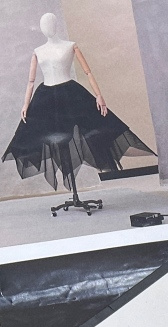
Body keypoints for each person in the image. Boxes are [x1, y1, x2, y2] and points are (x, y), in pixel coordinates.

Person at [2, 12, 154, 199]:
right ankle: (72, 190)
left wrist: (99, 96)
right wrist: (25, 104)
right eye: (43, 25)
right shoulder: (37, 51)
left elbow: (88, 72)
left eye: (49, 24)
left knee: (96, 129)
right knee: (44, 139)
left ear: (55, 25)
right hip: (46, 99)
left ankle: (77, 188)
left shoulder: (70, 46)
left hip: (71, 95)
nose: (46, 28)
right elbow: (31, 82)